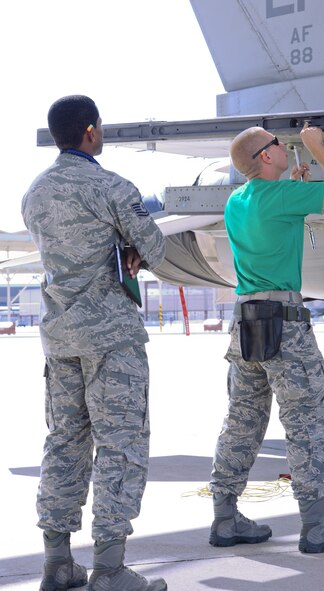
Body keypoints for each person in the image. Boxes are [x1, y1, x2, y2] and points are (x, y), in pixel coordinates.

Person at [21, 95, 167, 591]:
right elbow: (155, 246)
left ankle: (58, 563)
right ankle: (109, 568)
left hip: (59, 337)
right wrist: (129, 247)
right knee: (121, 446)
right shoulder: (110, 186)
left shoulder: (35, 192)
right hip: (110, 339)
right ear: (89, 131)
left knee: (64, 443)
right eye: (99, 127)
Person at [208, 123, 324, 553]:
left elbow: (273, 211)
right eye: (278, 144)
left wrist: (294, 186)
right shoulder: (280, 199)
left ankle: (225, 517)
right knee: (306, 422)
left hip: (246, 325)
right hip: (286, 325)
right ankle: (315, 526)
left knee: (241, 422)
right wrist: (317, 146)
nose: (283, 146)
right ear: (266, 157)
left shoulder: (237, 200)